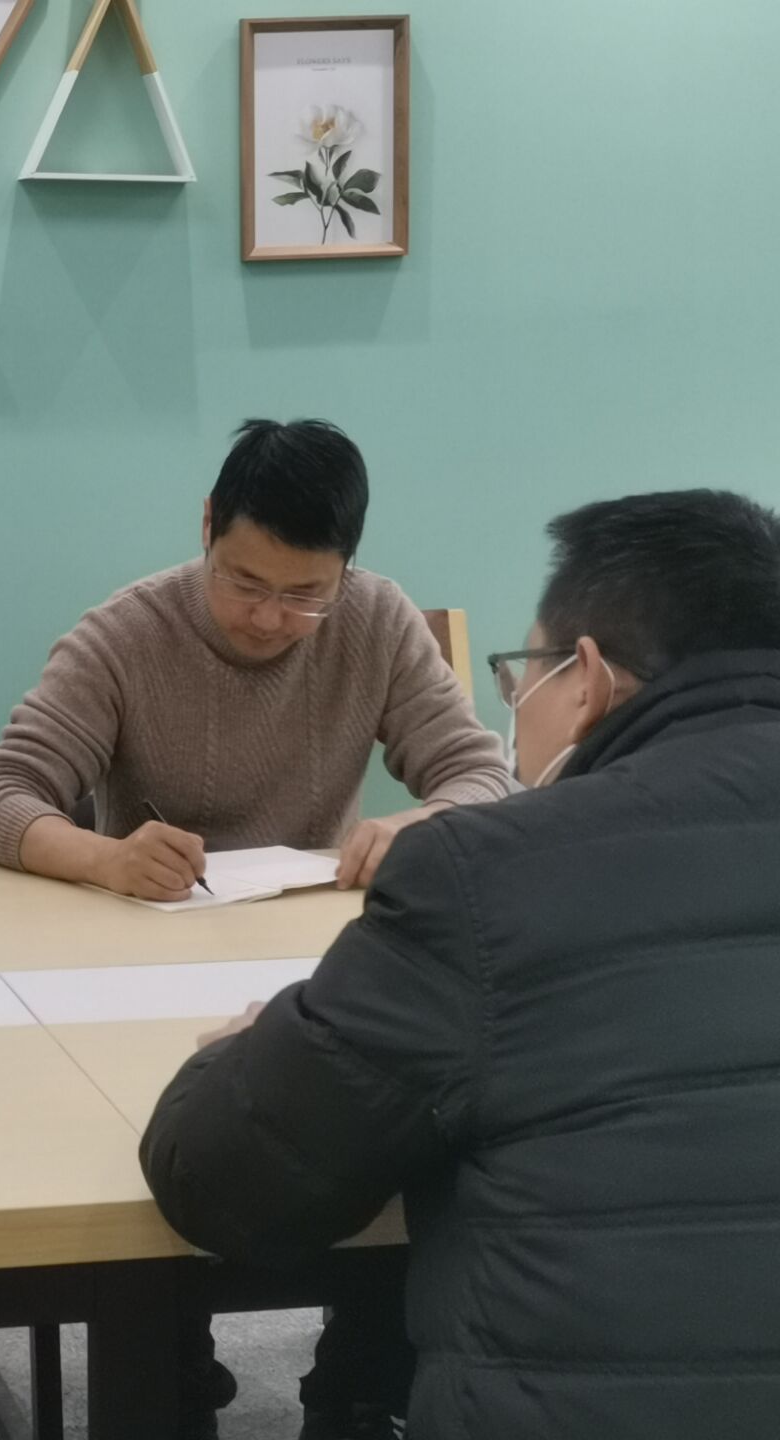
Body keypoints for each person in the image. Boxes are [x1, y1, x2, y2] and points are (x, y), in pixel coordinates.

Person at [142, 489, 780, 1440]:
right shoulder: (135, 625)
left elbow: (223, 1182)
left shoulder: (486, 876)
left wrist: (260, 1041)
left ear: (587, 679)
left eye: (524, 674)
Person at [0, 419, 511, 1438]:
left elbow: (484, 776)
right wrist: (105, 856)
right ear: (208, 526)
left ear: (346, 571)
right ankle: (174, 1371)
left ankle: (356, 1386)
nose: (269, 618)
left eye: (305, 594)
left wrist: (423, 824)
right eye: (246, 583)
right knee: (162, 1150)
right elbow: (3, 796)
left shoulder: (376, 621)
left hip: (311, 970)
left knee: (416, 1135)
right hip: (146, 971)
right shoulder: (127, 632)